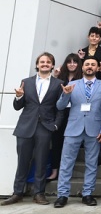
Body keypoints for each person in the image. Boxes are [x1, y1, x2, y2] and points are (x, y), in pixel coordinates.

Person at [1, 53, 64, 206]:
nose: (45, 64)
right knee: (22, 161)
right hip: (25, 127)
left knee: (42, 161)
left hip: (45, 127)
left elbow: (61, 108)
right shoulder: (26, 82)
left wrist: (56, 125)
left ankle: (39, 193)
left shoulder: (58, 83)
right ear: (37, 65)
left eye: (48, 62)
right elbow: (18, 107)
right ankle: (17, 193)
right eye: (42, 62)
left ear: (52, 65)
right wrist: (18, 97)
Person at [54, 56, 101, 208]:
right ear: (83, 67)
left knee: (92, 164)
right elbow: (60, 107)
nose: (90, 66)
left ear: (97, 68)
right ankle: (62, 195)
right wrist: (65, 94)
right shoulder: (72, 84)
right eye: (87, 64)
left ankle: (87, 194)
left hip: (94, 130)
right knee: (66, 163)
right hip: (73, 128)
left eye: (93, 64)